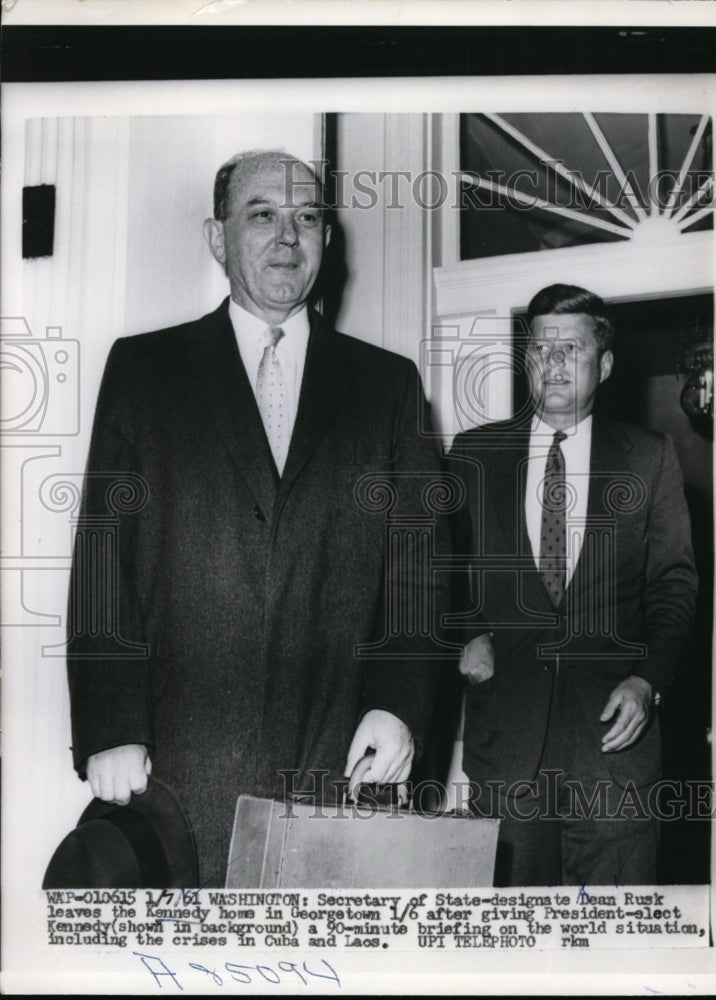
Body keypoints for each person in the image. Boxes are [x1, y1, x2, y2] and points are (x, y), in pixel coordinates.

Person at [67, 149, 449, 886]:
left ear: (327, 241)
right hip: (178, 769)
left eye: (307, 217)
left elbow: (419, 574)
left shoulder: (387, 385)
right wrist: (110, 725)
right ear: (217, 237)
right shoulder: (146, 371)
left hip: (340, 759)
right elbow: (103, 562)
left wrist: (400, 706)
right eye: (262, 215)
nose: (287, 236)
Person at [448, 283, 698, 886]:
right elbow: (439, 565)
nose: (554, 363)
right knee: (511, 935)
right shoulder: (475, 454)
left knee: (612, 933)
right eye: (541, 349)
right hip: (507, 751)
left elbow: (674, 586)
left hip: (614, 754)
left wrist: (648, 681)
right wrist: (467, 632)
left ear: (604, 365)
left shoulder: (650, 457)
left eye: (572, 349)